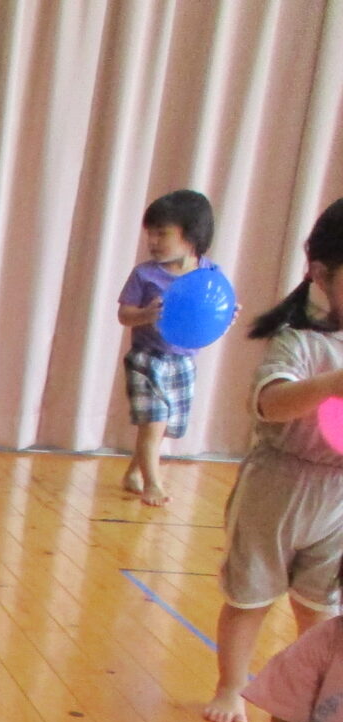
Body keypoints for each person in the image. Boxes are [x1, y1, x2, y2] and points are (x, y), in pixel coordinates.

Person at [205, 198, 343, 722]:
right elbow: (270, 402)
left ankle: (318, 696)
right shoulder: (298, 342)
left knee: (321, 607)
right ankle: (230, 686)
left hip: (337, 495)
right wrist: (329, 385)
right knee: (251, 596)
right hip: (278, 487)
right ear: (321, 275)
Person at [118, 189, 220, 507]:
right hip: (147, 359)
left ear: (191, 236)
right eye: (150, 233)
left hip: (183, 360)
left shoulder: (209, 274)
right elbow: (124, 315)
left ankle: (134, 472)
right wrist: (145, 315)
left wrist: (226, 315)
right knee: (153, 422)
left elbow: (217, 309)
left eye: (162, 234)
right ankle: (153, 484)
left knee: (161, 427)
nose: (153, 241)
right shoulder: (144, 274)